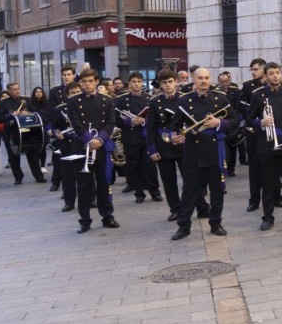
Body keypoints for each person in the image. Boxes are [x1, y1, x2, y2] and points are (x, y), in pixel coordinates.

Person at [170, 68, 235, 240]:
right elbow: (175, 125)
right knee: (189, 191)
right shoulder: (184, 100)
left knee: (217, 190)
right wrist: (175, 137)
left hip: (214, 151)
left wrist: (218, 122)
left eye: (206, 78)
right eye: (200, 78)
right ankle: (183, 226)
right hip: (193, 152)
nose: (204, 81)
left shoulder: (220, 98)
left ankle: (215, 223)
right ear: (193, 79)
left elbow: (235, 121)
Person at [245, 62, 282, 230]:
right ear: (266, 76)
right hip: (267, 144)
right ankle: (268, 217)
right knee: (269, 183)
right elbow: (248, 120)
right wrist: (261, 122)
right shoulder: (258, 95)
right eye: (271, 73)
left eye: (277, 73)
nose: (275, 76)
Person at [146, 69, 210, 222]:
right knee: (168, 180)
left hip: (185, 143)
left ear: (175, 82)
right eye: (164, 83)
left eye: (170, 82)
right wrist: (152, 148)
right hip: (164, 144)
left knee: (191, 179)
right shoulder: (154, 102)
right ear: (160, 85)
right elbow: (151, 127)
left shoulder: (185, 98)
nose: (168, 85)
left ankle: (201, 206)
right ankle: (175, 208)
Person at [66, 69, 119, 233]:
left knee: (104, 184)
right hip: (82, 147)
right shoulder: (73, 101)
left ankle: (107, 216)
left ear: (96, 82)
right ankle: (84, 220)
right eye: (84, 81)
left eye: (90, 81)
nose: (87, 84)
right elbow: (76, 123)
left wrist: (100, 140)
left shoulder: (107, 100)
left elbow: (110, 123)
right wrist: (89, 140)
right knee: (83, 186)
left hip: (101, 147)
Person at [114, 72, 162, 204]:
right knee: (134, 167)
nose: (136, 84)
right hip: (130, 138)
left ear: (142, 83)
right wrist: (130, 122)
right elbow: (115, 119)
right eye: (134, 81)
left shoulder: (150, 99)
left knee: (150, 166)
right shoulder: (121, 100)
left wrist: (143, 121)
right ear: (129, 83)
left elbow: (157, 118)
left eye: (139, 81)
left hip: (147, 137)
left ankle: (155, 192)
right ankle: (139, 193)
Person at [0, 82, 46, 185]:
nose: (17, 91)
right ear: (9, 91)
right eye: (14, 89)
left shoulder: (26, 100)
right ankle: (18, 177)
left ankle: (38, 176)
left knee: (33, 154)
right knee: (13, 156)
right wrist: (11, 115)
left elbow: (36, 112)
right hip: (11, 133)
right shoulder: (4, 102)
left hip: (28, 132)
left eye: (18, 88)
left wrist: (28, 113)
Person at [240, 58, 268, 212]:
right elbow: (240, 104)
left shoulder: (272, 83)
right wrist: (254, 115)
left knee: (272, 167)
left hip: (271, 131)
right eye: (251, 69)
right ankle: (254, 200)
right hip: (254, 131)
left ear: (264, 69)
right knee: (255, 168)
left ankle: (276, 197)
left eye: (256, 69)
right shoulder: (247, 86)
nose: (253, 72)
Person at [47, 66, 78, 192]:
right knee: (58, 157)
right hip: (63, 128)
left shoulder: (78, 88)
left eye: (69, 74)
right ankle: (56, 182)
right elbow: (51, 111)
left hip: (77, 130)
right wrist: (51, 128)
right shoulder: (55, 91)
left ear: (74, 75)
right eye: (64, 74)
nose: (66, 77)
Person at [53, 82, 82, 212]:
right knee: (68, 175)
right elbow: (55, 126)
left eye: (78, 92)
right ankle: (69, 202)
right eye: (73, 93)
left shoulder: (86, 106)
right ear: (67, 94)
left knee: (86, 174)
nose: (76, 95)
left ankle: (91, 199)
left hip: (82, 143)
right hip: (67, 144)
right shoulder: (60, 109)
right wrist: (56, 132)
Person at [217, 71, 243, 177]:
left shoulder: (235, 91)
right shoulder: (216, 92)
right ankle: (224, 167)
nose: (224, 83)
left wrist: (237, 118)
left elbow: (238, 105)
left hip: (232, 120)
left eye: (226, 81)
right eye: (222, 81)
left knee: (233, 145)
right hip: (221, 120)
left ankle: (231, 168)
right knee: (223, 145)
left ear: (229, 81)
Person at [29, 86, 50, 174]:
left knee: (43, 147)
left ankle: (43, 165)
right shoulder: (30, 103)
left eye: (40, 92)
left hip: (44, 127)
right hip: (34, 128)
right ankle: (37, 167)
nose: (38, 93)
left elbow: (47, 114)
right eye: (36, 92)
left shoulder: (47, 103)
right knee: (36, 148)